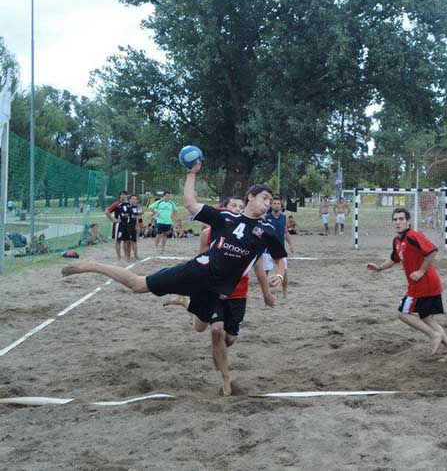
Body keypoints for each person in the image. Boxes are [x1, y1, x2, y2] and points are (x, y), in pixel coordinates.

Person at [60, 162, 287, 393]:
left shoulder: (267, 232)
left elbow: (279, 259)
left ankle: (189, 305)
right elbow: (190, 203)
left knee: (214, 332)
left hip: (218, 289)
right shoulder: (225, 217)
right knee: (139, 285)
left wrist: (278, 274)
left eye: (271, 200)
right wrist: (191, 173)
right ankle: (94, 265)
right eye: (265, 198)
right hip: (197, 271)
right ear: (251, 197)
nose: (268, 203)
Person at [164, 196, 274, 395]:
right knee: (214, 330)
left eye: (241, 207)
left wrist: (266, 293)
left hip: (238, 294)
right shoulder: (208, 233)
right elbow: (200, 261)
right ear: (224, 209)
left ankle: (186, 303)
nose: (238, 209)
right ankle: (226, 380)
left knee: (227, 338)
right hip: (212, 289)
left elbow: (258, 266)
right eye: (234, 206)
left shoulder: (252, 233)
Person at [366, 207, 447, 362]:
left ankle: (433, 335)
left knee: (402, 313)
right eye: (395, 219)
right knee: (427, 319)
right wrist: (380, 268)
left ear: (408, 221)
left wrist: (421, 271)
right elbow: (394, 259)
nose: (398, 222)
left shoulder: (413, 236)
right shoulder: (397, 240)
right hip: (425, 284)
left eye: (401, 219)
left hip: (423, 283)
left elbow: (432, 251)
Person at [263, 195, 295, 298]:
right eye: (274, 203)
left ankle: (285, 293)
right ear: (271, 205)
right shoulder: (266, 218)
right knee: (265, 272)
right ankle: (266, 293)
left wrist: (291, 245)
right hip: (267, 250)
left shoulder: (283, 218)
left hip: (280, 250)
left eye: (278, 204)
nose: (276, 205)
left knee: (284, 273)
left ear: (281, 206)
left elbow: (286, 232)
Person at [105, 190, 128, 260]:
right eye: (123, 194)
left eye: (125, 195)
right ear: (120, 196)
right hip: (119, 225)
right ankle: (118, 257)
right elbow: (107, 211)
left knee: (126, 241)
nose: (124, 196)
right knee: (118, 241)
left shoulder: (127, 204)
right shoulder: (116, 204)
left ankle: (126, 256)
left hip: (126, 225)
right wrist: (113, 219)